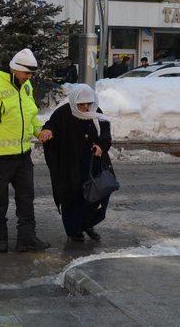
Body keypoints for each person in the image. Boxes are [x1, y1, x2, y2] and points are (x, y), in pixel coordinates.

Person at [0, 48, 51, 253]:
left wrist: (39, 131)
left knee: (26, 197)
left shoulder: (26, 86)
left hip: (22, 155)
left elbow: (30, 115)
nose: (29, 77)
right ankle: (0, 237)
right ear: (15, 69)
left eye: (31, 74)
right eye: (26, 73)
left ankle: (27, 239)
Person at [42, 84, 113, 242]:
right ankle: (74, 230)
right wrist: (48, 131)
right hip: (71, 165)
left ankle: (88, 223)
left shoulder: (96, 113)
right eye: (81, 104)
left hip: (94, 163)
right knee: (72, 198)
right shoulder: (63, 113)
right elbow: (51, 125)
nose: (85, 108)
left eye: (88, 104)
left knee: (98, 196)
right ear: (74, 102)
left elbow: (106, 135)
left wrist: (101, 146)